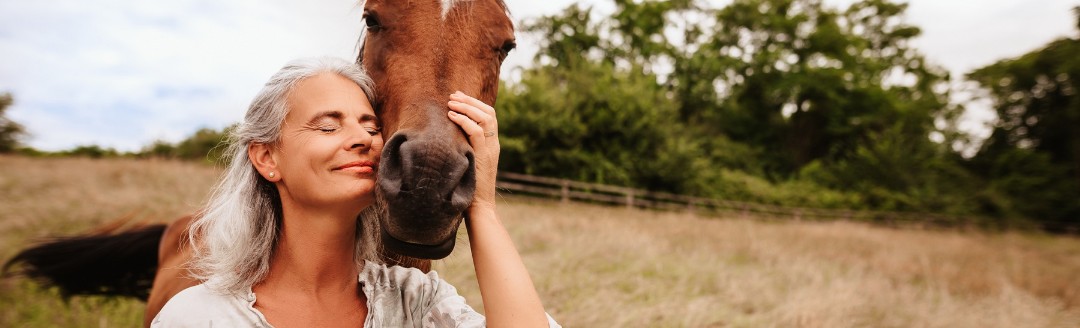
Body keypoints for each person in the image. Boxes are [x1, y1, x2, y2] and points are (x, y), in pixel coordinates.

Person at [151, 57, 559, 327]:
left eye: (371, 126)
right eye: (329, 126)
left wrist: (482, 205)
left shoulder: (415, 302)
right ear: (266, 158)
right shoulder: (195, 317)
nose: (363, 139)